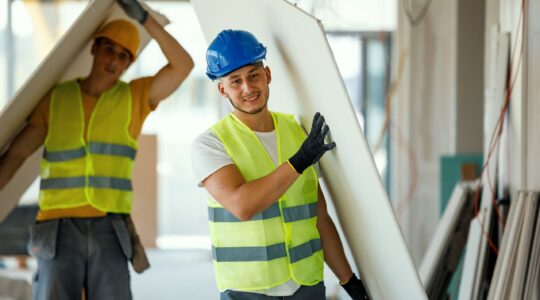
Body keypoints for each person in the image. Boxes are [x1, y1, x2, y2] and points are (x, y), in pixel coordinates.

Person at [0, 0, 193, 299]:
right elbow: (17, 154)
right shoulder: (57, 98)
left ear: (129, 64)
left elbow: (183, 66)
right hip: (57, 227)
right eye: (109, 49)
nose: (114, 60)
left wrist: (145, 19)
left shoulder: (135, 98)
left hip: (109, 226)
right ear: (94, 48)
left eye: (123, 56)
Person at [191, 29, 368, 299]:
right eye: (235, 81)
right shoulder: (211, 144)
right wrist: (299, 161)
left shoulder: (297, 132)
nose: (248, 88)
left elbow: (319, 217)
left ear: (268, 75)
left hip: (307, 286)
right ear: (221, 89)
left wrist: (348, 280)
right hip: (248, 291)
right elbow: (242, 205)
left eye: (253, 75)